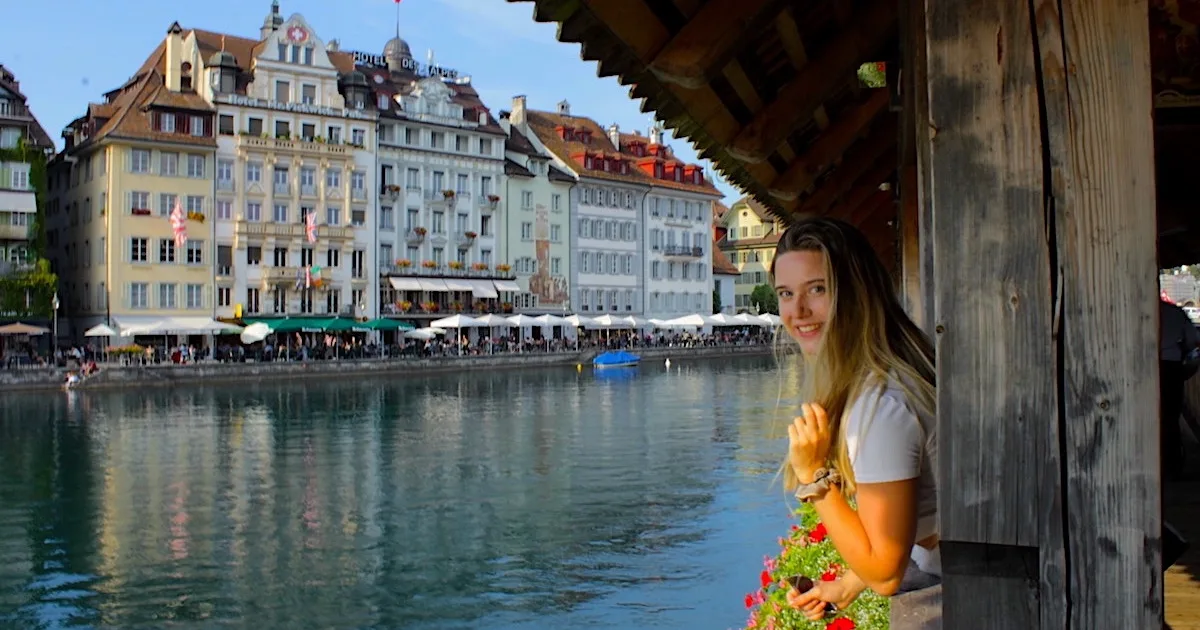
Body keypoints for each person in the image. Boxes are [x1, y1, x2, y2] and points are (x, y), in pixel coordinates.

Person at [771, 217, 940, 626]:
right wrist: (847, 586)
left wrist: (814, 478)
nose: (799, 311)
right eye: (786, 294)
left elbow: (884, 572)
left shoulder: (879, 405)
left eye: (817, 289)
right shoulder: (899, 371)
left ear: (856, 293)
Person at [1159, 297, 1198, 481]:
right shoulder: (1175, 313)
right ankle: (1172, 465)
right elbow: (1193, 340)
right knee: (1171, 417)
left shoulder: (1135, 310)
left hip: (1141, 367)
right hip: (1171, 368)